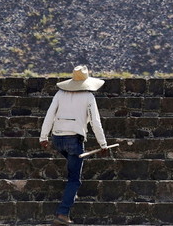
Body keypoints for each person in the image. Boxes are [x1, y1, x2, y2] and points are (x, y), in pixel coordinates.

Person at [40, 65, 109, 225]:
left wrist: (43, 136)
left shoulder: (60, 93)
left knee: (72, 163)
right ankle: (62, 213)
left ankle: (71, 194)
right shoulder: (88, 97)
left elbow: (50, 115)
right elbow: (95, 122)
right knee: (74, 180)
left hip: (57, 139)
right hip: (73, 140)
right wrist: (103, 144)